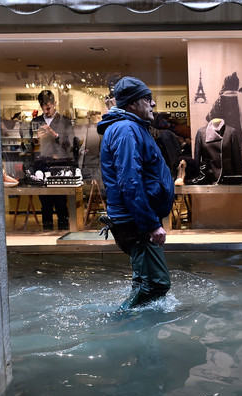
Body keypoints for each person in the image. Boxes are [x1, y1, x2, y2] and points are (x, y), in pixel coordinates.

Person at [97, 77, 175, 310]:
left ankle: (143, 339)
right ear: (132, 104)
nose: (153, 104)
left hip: (136, 219)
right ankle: (119, 323)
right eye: (147, 99)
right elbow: (130, 181)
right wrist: (151, 224)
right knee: (156, 284)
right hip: (136, 222)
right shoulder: (126, 129)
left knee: (143, 281)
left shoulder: (131, 127)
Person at [30, 90, 74, 230]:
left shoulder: (65, 121)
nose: (46, 111)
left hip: (60, 164)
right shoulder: (35, 122)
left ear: (54, 104)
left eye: (48, 108)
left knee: (61, 202)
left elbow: (70, 145)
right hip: (41, 165)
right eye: (43, 108)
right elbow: (30, 148)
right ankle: (46, 233)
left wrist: (55, 135)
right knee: (45, 203)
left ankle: (64, 233)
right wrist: (35, 139)